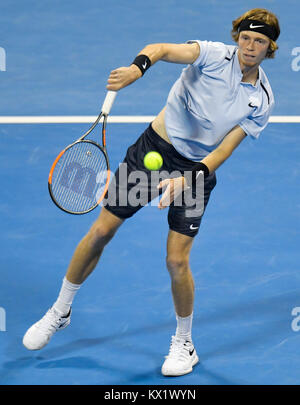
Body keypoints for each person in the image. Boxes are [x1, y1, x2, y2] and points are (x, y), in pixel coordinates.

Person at [23, 8, 280, 377]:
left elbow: (223, 150)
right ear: (236, 37)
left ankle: (184, 344)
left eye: (259, 41)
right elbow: (160, 48)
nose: (249, 47)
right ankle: (60, 311)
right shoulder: (210, 54)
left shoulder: (262, 100)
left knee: (177, 261)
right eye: (245, 38)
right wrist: (137, 68)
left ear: (270, 47)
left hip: (195, 170)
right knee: (101, 232)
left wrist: (187, 180)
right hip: (152, 152)